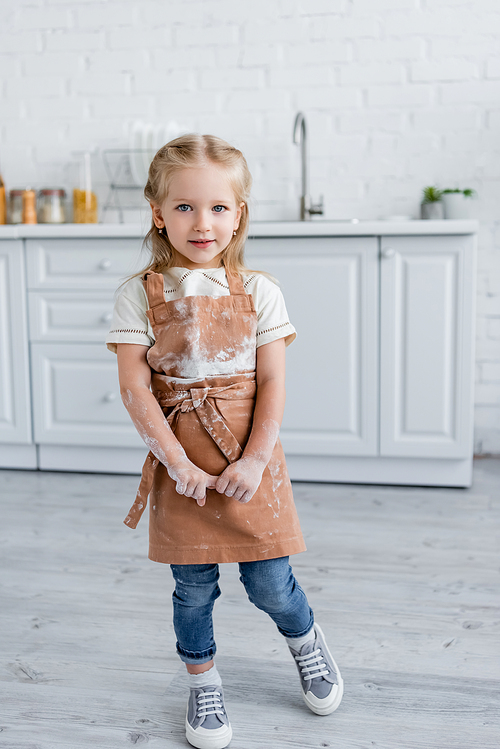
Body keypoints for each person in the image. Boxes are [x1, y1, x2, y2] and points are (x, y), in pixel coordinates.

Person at [106, 134, 343, 749]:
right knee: (192, 588)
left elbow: (272, 382)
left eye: (217, 207)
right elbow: (136, 387)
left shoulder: (259, 291)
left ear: (239, 213)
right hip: (180, 455)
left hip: (249, 457)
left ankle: (306, 641)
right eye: (184, 207)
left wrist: (256, 459)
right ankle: (203, 681)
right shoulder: (140, 294)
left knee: (270, 581)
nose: (202, 222)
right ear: (159, 214)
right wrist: (177, 462)